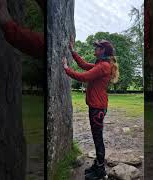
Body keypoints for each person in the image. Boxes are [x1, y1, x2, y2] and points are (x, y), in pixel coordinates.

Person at [62, 38, 119, 180]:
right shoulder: (100, 64)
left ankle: (100, 170)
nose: (95, 48)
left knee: (97, 138)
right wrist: (73, 52)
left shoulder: (103, 66)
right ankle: (98, 165)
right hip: (97, 107)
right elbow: (83, 65)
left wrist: (66, 69)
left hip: (97, 108)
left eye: (97, 47)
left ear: (103, 51)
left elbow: (84, 77)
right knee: (96, 137)